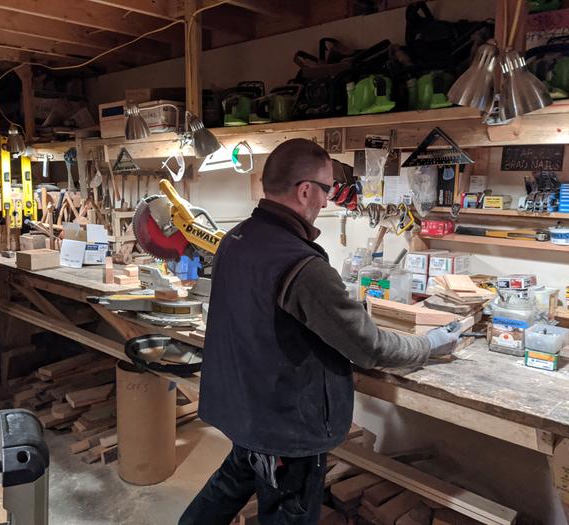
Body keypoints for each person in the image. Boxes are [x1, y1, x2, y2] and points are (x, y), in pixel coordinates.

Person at [178, 138, 461, 525]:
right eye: (327, 190)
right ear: (306, 190)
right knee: (287, 510)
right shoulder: (300, 264)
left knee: (231, 483)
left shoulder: (236, 238)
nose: (327, 202)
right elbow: (369, 347)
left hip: (245, 407)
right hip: (284, 423)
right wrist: (427, 344)